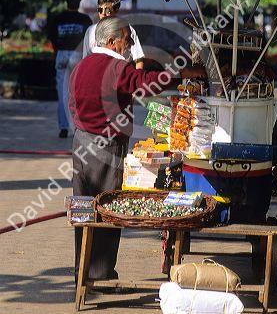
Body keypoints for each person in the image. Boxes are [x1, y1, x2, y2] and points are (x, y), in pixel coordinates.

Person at [69, 17, 205, 284]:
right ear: (111, 41)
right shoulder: (115, 67)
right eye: (127, 41)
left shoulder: (81, 66)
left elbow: (73, 104)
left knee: (85, 209)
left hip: (80, 142)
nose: (129, 47)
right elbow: (146, 83)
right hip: (105, 144)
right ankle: (101, 274)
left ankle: (82, 271)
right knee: (107, 208)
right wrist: (181, 74)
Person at [48, 0, 92, 138]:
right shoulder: (85, 20)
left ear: (66, 3)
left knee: (62, 93)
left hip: (61, 55)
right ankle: (77, 127)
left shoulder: (58, 19)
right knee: (78, 93)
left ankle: (63, 128)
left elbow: (52, 38)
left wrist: (58, 52)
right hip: (78, 55)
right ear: (79, 4)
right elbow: (89, 40)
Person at [82, 0, 144, 69]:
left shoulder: (127, 30)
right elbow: (85, 59)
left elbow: (138, 59)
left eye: (107, 10)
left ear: (116, 10)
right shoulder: (91, 30)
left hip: (120, 74)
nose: (103, 14)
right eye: (100, 10)